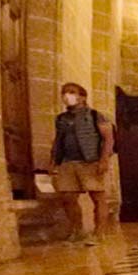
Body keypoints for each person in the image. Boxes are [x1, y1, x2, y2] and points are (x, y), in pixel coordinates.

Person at [51, 83, 115, 246]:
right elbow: (58, 140)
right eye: (64, 92)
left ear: (82, 97)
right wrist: (54, 161)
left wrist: (104, 159)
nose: (67, 96)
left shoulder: (94, 115)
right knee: (68, 197)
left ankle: (99, 233)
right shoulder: (61, 118)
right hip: (67, 162)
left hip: (90, 161)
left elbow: (108, 138)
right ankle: (77, 230)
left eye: (72, 92)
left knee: (98, 197)